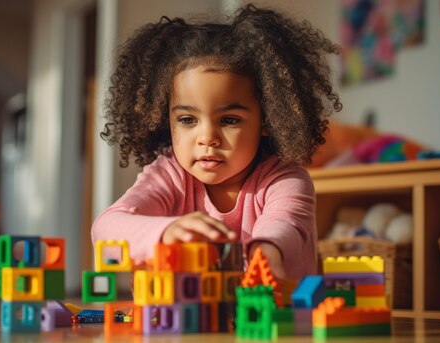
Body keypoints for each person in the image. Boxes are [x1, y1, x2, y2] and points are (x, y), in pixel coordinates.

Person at [92, 4, 342, 280]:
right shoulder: (168, 177)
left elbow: (285, 223)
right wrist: (166, 232)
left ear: (268, 120)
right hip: (196, 321)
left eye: (229, 120)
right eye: (188, 120)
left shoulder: (284, 180)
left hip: (275, 318)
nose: (207, 138)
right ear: (167, 121)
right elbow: (105, 229)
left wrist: (266, 249)